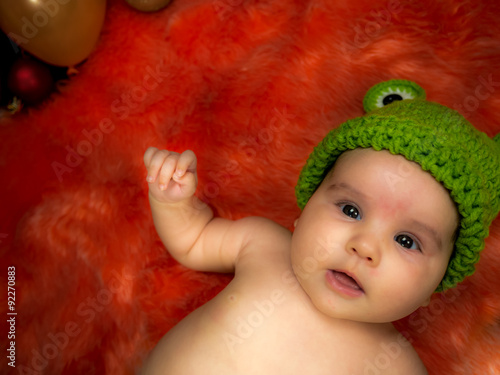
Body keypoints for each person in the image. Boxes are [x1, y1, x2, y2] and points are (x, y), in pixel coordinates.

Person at [140, 80, 500, 374]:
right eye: (351, 210)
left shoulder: (393, 363)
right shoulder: (265, 246)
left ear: (434, 286)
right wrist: (173, 200)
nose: (364, 246)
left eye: (406, 240)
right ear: (306, 210)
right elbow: (194, 240)